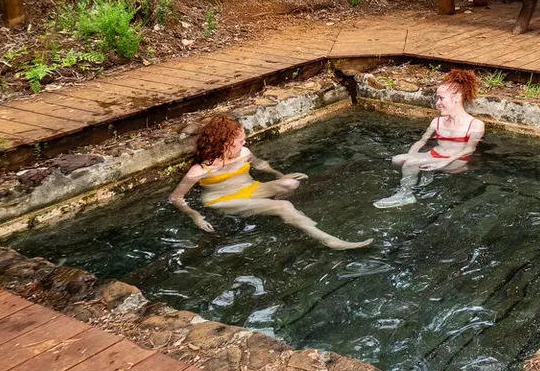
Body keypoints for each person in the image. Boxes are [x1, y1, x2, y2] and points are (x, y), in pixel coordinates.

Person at [168, 113, 366, 249]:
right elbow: (176, 198)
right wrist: (195, 215)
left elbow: (260, 165)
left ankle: (274, 211)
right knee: (283, 206)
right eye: (240, 141)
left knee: (291, 184)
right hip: (221, 200)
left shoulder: (243, 153)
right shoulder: (200, 170)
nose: (245, 143)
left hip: (251, 189)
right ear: (226, 143)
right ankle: (328, 240)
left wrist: (279, 176)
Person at [375, 68, 485, 208]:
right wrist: (412, 155)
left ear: (456, 97)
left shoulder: (475, 125)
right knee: (397, 160)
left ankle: (405, 195)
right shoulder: (437, 122)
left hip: (456, 161)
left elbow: (469, 150)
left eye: (441, 98)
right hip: (433, 155)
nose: (437, 103)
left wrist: (442, 163)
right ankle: (425, 171)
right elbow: (421, 141)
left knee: (410, 164)